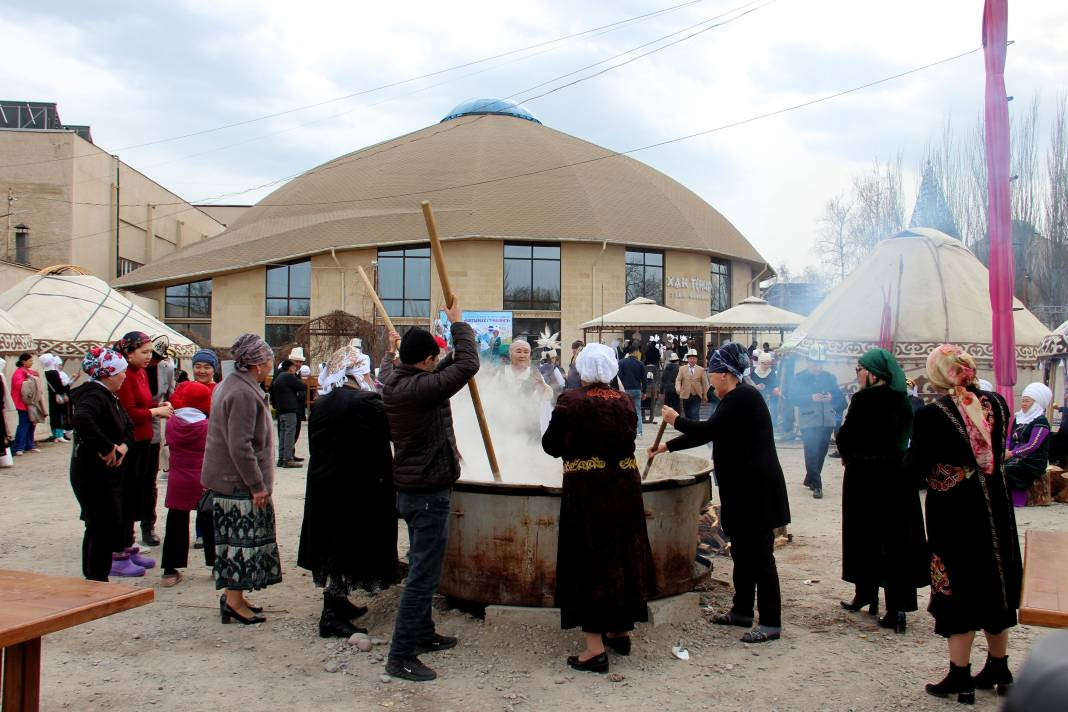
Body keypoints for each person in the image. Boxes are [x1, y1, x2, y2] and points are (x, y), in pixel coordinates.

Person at [652, 342, 790, 643]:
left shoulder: (744, 397)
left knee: (760, 557)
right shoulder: (733, 399)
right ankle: (741, 611)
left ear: (725, 375)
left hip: (758, 493)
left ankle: (770, 622)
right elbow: (713, 430)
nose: (710, 379)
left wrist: (675, 420)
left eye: (713, 373)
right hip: (740, 492)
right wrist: (666, 446)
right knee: (741, 552)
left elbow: (706, 430)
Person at [906, 344, 1021, 703]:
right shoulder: (998, 405)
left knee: (960, 581)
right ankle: (999, 666)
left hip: (955, 510)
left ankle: (960, 676)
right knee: (995, 581)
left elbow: (915, 468)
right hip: (995, 506)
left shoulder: (932, 414)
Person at [542, 342, 656, 674]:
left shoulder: (570, 401)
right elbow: (629, 440)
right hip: (625, 488)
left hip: (588, 492)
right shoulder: (624, 401)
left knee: (588, 559)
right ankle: (620, 631)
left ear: (582, 369)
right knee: (622, 555)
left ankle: (594, 650)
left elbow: (551, 445)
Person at [381, 298, 478, 682]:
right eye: (433, 360)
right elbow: (468, 365)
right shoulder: (418, 390)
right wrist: (458, 324)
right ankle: (401, 654)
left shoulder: (394, 376)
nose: (437, 364)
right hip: (426, 492)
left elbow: (449, 366)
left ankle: (422, 633)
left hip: (412, 488)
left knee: (424, 566)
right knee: (423, 574)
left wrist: (398, 346)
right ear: (423, 362)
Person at [298, 345, 397, 639]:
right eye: (365, 370)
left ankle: (339, 602)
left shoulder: (323, 403)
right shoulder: (364, 402)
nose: (368, 375)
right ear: (356, 371)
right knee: (346, 548)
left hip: (325, 488)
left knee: (332, 547)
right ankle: (330, 617)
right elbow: (386, 439)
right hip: (355, 489)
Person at [835, 349, 927, 634]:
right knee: (896, 541)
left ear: (874, 373)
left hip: (865, 479)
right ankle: (897, 608)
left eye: (860, 370)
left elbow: (847, 438)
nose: (858, 375)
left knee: (864, 535)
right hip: (898, 480)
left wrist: (847, 448)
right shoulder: (903, 401)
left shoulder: (863, 400)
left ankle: (866, 592)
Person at [201, 333, 281, 625]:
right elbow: (240, 445)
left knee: (238, 541)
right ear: (258, 363)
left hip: (231, 479)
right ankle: (234, 602)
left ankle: (236, 596)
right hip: (237, 482)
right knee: (240, 543)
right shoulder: (243, 393)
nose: (272, 364)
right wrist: (257, 485)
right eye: (269, 359)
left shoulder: (233, 384)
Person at [69, 347, 134, 581]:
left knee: (101, 524)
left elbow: (128, 425)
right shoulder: (94, 395)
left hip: (107, 475)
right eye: (121, 372)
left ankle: (95, 576)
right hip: (92, 474)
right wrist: (106, 447)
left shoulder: (109, 395)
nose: (124, 376)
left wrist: (123, 446)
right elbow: (82, 419)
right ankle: (96, 578)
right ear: (108, 374)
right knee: (102, 525)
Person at [115, 332, 173, 550]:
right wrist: (156, 410)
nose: (150, 357)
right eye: (145, 352)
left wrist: (160, 406)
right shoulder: (124, 375)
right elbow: (129, 411)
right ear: (129, 353)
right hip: (134, 440)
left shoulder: (145, 371)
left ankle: (147, 526)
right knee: (130, 487)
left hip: (149, 436)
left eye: (152, 353)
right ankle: (126, 537)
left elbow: (150, 400)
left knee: (148, 485)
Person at [159, 381, 215, 587]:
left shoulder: (173, 423)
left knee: (175, 523)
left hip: (178, 479)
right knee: (210, 521)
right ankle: (215, 563)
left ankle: (170, 568)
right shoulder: (207, 426)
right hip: (203, 478)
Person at [788, 349, 845, 499]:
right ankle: (817, 485)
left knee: (821, 452)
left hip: (827, 420)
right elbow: (792, 397)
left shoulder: (830, 378)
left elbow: (840, 398)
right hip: (809, 420)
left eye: (820, 364)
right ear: (808, 362)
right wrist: (811, 397)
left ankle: (810, 477)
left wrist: (831, 397)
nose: (817, 367)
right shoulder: (799, 378)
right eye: (815, 363)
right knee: (812, 452)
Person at [1003, 382, 1053, 507]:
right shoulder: (1019, 418)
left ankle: (1018, 501)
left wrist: (1012, 453)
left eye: (1027, 401)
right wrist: (1006, 450)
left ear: (1037, 403)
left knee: (1009, 470)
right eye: (1023, 401)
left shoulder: (1041, 421)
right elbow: (1011, 438)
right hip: (1016, 455)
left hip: (1034, 459)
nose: (1023, 404)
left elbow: (1033, 445)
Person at [269, 359, 305, 469]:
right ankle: (288, 459)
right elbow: (302, 386)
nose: (296, 368)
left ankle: (281, 458)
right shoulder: (288, 376)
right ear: (289, 367)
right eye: (294, 366)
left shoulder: (279, 377)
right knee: (290, 433)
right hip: (290, 409)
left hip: (281, 410)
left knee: (283, 434)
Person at [11, 353, 43, 455]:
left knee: (31, 424)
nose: (32, 362)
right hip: (22, 403)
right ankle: (19, 447)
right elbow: (21, 386)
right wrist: (32, 379)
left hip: (31, 403)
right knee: (24, 424)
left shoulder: (28, 372)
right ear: (23, 362)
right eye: (30, 361)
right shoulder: (18, 373)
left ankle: (29, 445)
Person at [41, 354, 72, 442]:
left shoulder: (44, 372)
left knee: (53, 415)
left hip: (49, 396)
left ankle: (54, 434)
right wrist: (64, 393)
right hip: (56, 396)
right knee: (58, 414)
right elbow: (59, 386)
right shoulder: (54, 372)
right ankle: (59, 435)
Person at [618, 345, 646, 436]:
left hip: (625, 390)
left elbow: (619, 377)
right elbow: (644, 380)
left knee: (625, 410)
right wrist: (644, 392)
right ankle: (639, 431)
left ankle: (626, 430)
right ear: (636, 352)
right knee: (637, 411)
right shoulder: (640, 364)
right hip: (637, 389)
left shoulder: (621, 363)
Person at [675, 349, 709, 421]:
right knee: (688, 414)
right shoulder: (682, 369)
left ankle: (696, 430)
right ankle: (689, 430)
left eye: (694, 358)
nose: (692, 360)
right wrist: (678, 387)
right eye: (690, 358)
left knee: (695, 413)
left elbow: (705, 383)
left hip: (697, 395)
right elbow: (678, 380)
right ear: (687, 359)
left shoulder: (701, 370)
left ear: (696, 359)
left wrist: (705, 395)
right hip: (685, 395)